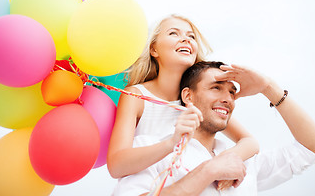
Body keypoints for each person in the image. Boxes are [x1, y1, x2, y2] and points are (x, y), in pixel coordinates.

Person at [113, 61, 315, 195]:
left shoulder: (242, 161)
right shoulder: (151, 149)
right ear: (188, 96)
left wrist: (268, 87)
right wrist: (209, 170)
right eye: (216, 88)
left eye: (231, 92)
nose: (227, 98)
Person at [107, 15, 259, 189]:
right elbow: (116, 165)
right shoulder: (136, 96)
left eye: (191, 36)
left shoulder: (198, 99)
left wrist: (223, 161)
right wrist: (171, 143)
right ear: (154, 49)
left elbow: (250, 142)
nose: (186, 39)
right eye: (174, 33)